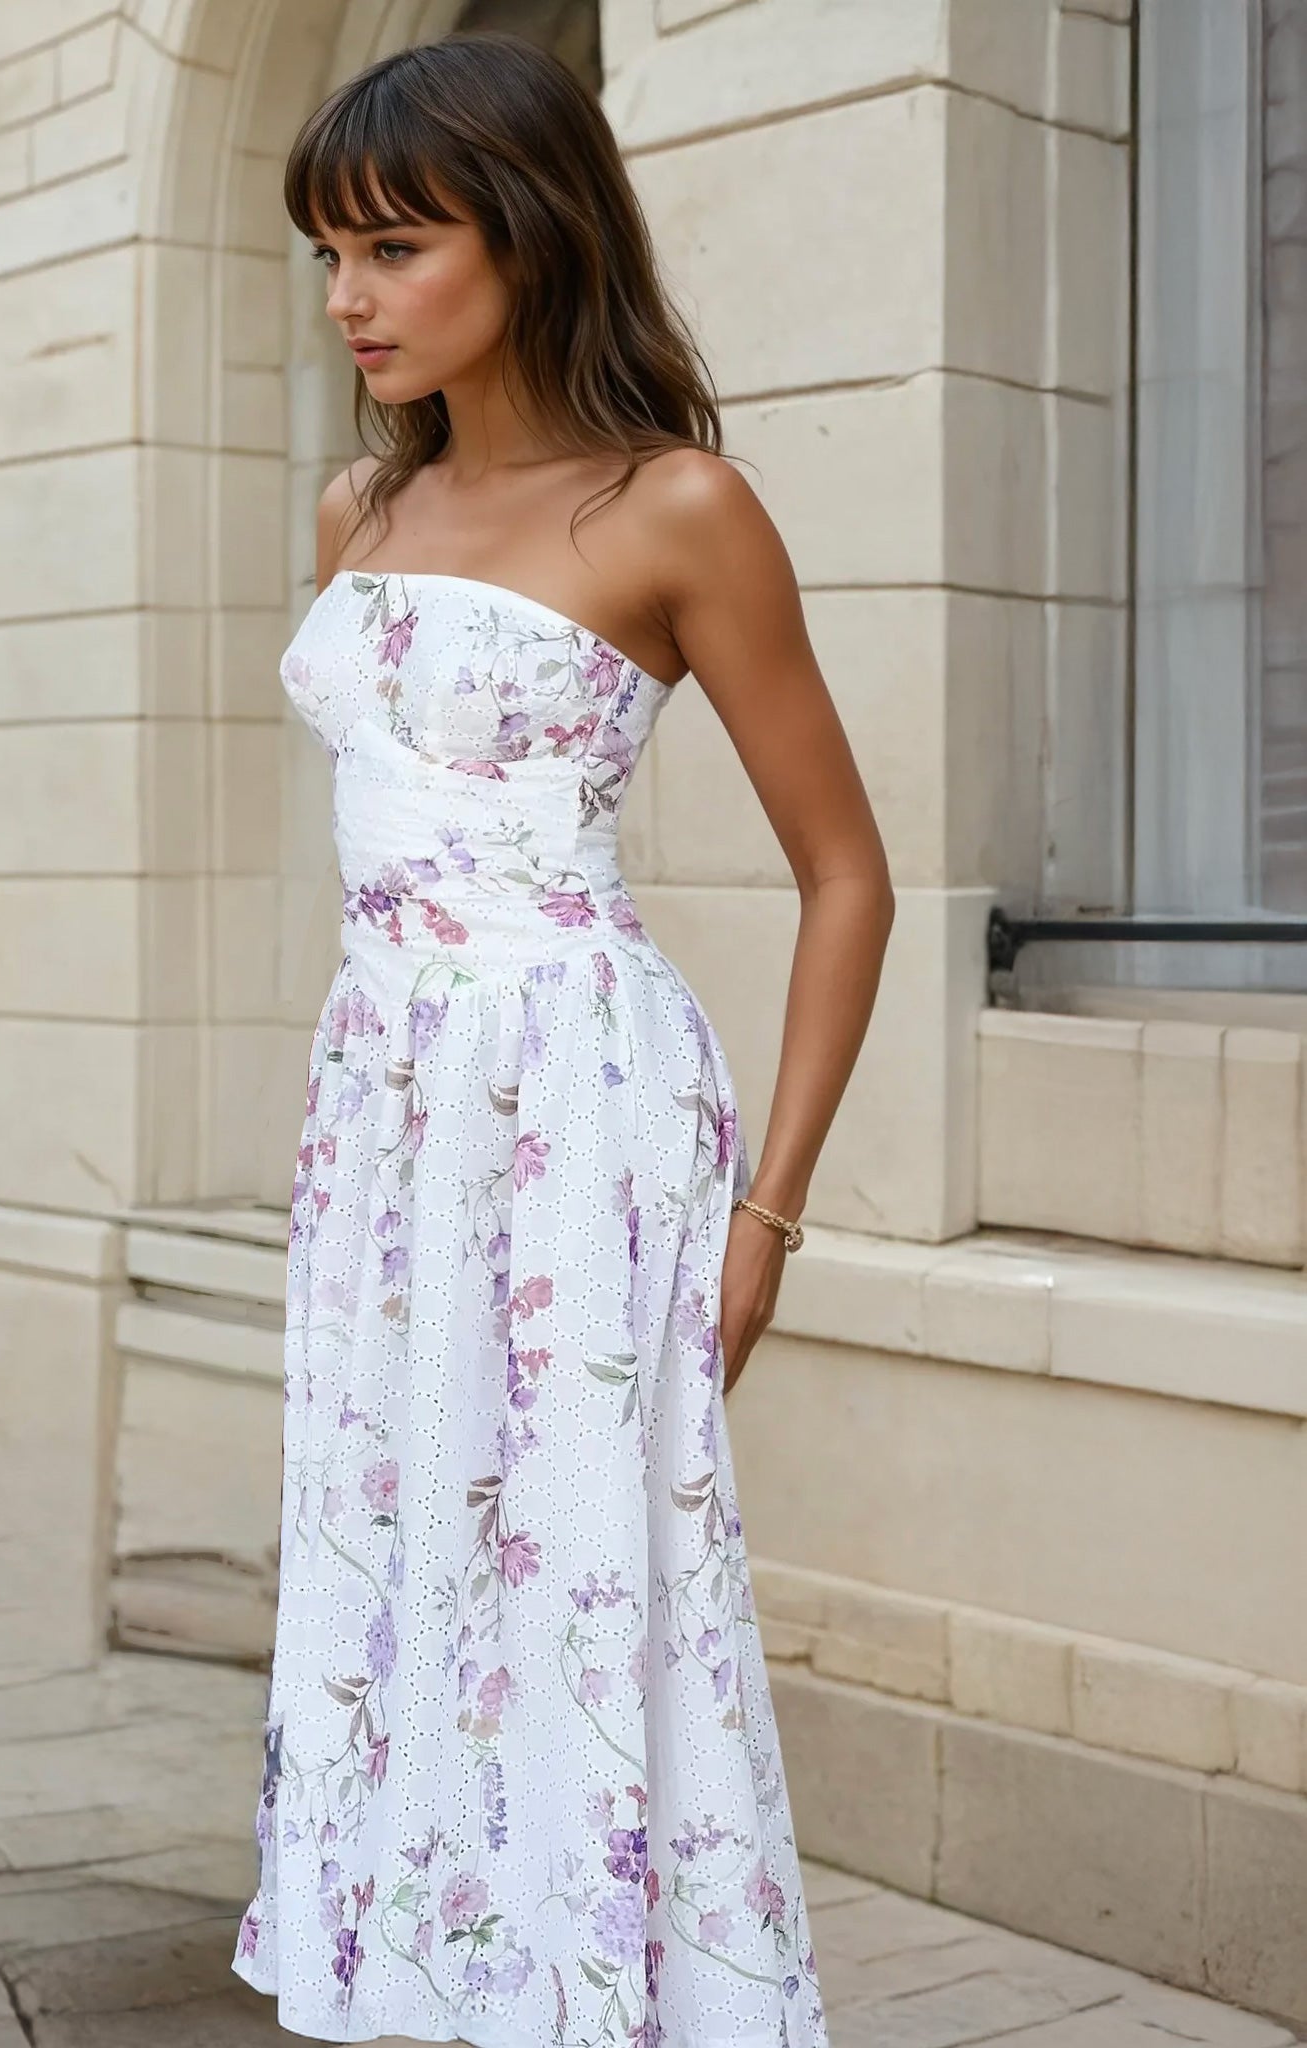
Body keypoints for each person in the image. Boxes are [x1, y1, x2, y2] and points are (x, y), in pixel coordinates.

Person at [231, 29, 892, 2048]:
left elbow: (847, 876)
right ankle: (426, 1983)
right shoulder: (361, 508)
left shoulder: (676, 507)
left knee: (589, 1577)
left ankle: (618, 1999)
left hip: (578, 1105)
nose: (348, 299)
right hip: (382, 1107)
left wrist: (767, 1214)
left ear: (525, 235)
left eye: (394, 248)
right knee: (391, 1551)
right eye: (332, 255)